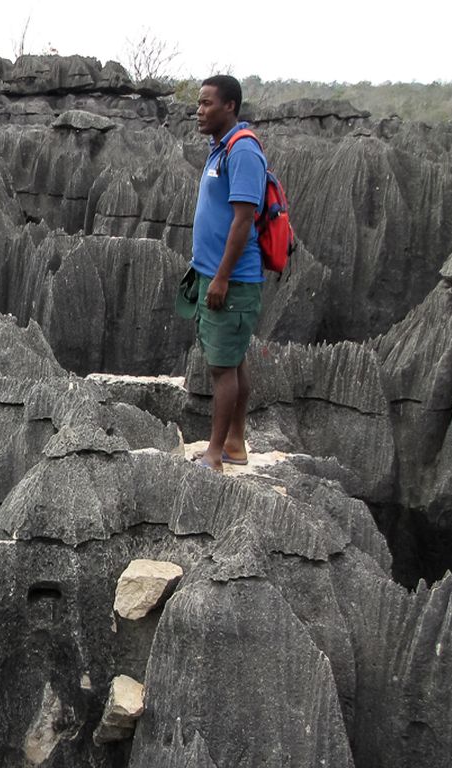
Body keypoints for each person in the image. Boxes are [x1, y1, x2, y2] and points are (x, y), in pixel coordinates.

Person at [189, 75, 265, 472]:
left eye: (206, 103)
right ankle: (235, 443)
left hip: (232, 280)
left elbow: (243, 220)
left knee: (222, 367)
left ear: (230, 106)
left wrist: (220, 278)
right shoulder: (219, 148)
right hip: (213, 274)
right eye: (199, 104)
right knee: (233, 361)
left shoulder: (243, 151)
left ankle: (215, 455)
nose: (199, 111)